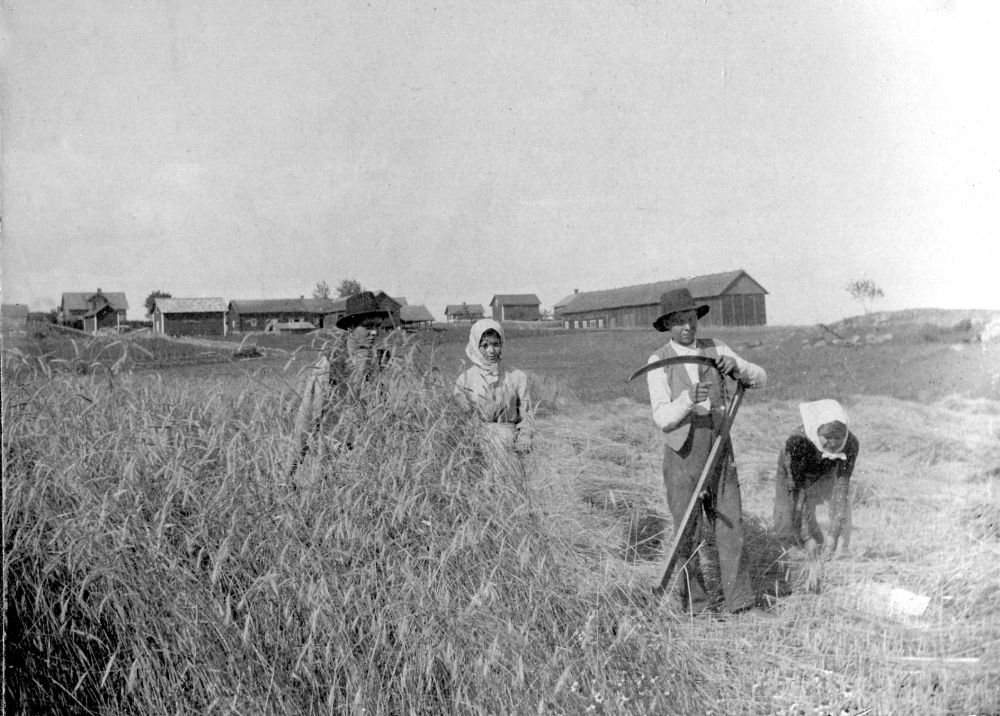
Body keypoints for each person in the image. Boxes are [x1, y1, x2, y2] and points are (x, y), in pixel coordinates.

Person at [645, 288, 769, 617]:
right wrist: (687, 399)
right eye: (679, 322)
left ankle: (741, 604)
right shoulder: (658, 362)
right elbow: (662, 417)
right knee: (688, 532)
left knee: (731, 527)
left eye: (691, 319)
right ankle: (698, 609)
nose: (687, 327)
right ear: (667, 325)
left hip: (719, 447)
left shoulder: (717, 349)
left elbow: (760, 378)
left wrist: (737, 367)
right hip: (683, 453)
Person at [284, 291, 390, 479]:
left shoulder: (379, 363)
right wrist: (288, 474)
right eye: (368, 326)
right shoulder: (330, 364)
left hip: (371, 460)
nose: (375, 332)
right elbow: (306, 420)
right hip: (334, 460)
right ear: (350, 327)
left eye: (378, 326)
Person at [773, 399, 859, 558]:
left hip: (826, 469)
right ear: (816, 431)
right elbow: (797, 491)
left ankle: (832, 551)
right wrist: (806, 537)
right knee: (786, 518)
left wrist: (833, 534)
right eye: (827, 437)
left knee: (834, 526)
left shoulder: (850, 444)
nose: (833, 443)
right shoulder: (797, 443)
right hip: (794, 472)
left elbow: (841, 489)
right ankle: (789, 553)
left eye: (838, 437)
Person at [453, 319, 533, 462]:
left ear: (502, 344)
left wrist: (525, 436)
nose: (491, 351)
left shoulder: (517, 376)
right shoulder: (465, 379)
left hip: (510, 447)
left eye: (496, 344)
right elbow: (460, 418)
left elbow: (526, 414)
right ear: (475, 346)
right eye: (485, 345)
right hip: (477, 446)